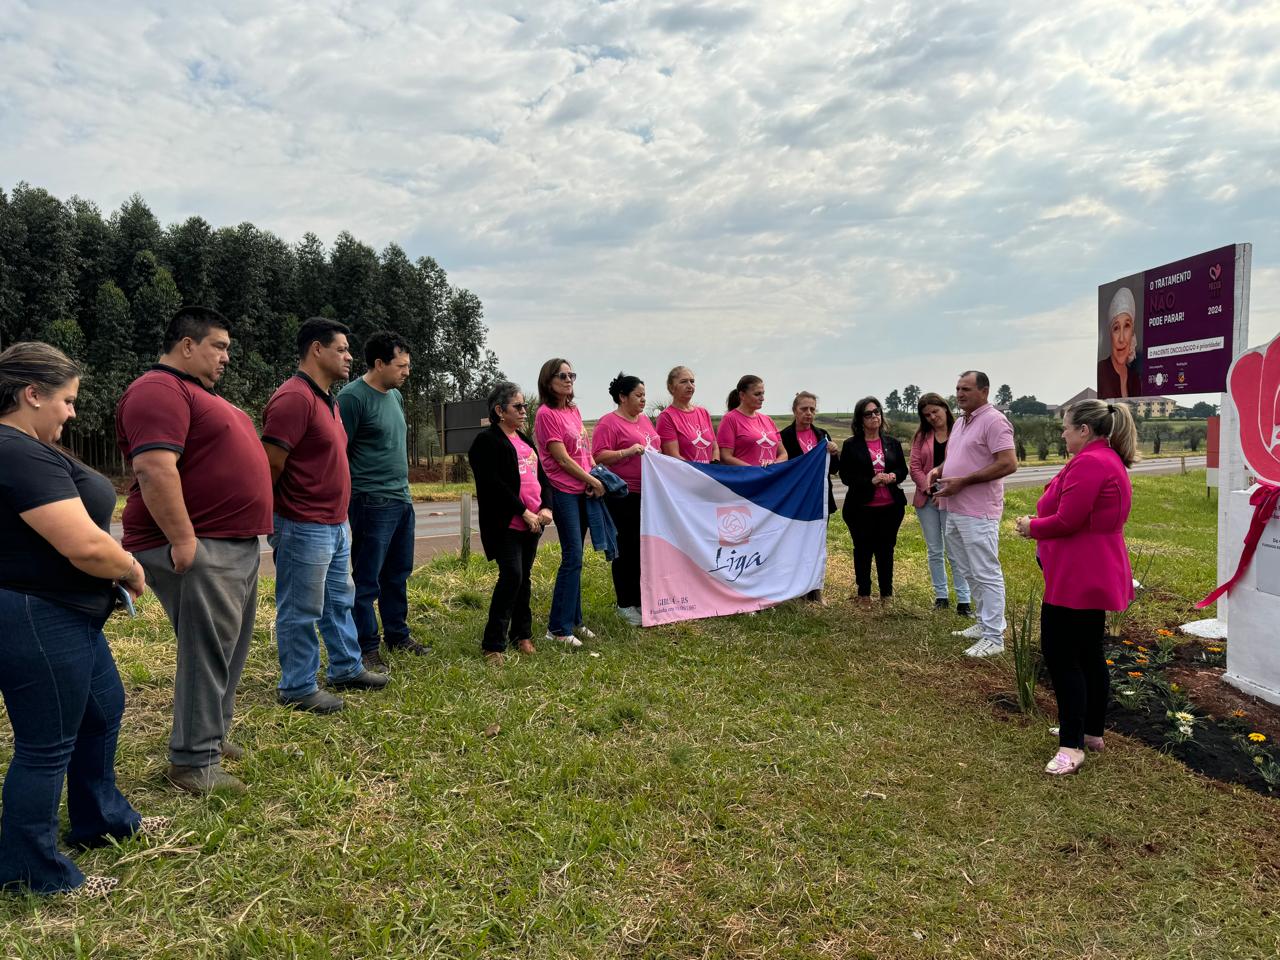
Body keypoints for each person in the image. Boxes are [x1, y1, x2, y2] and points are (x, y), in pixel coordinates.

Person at [0, 342, 161, 897]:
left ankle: (101, 820)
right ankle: (33, 873)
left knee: (101, 711)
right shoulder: (13, 451)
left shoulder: (30, 447)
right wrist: (130, 567)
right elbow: (84, 545)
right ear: (32, 394)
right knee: (46, 745)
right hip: (37, 615)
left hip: (69, 614)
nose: (72, 412)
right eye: (66, 400)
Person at [116, 306, 275, 797]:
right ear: (187, 345)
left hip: (229, 543)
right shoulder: (159, 388)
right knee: (207, 651)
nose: (226, 357)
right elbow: (154, 468)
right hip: (197, 543)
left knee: (227, 647)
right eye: (218, 346)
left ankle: (212, 735)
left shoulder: (198, 394)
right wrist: (184, 540)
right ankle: (193, 761)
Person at [262, 318, 388, 713]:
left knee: (338, 601)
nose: (350, 356)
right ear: (317, 349)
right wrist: (280, 511)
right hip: (302, 523)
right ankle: (297, 686)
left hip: (334, 522)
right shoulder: (293, 399)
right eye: (342, 349)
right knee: (300, 609)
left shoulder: (327, 399)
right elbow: (271, 463)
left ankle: (346, 667)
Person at [1015, 399, 1137, 775]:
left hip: (1078, 574)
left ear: (1084, 430)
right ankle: (1090, 732)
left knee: (1062, 656)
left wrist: (1031, 527)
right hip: (1091, 569)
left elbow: (1068, 519)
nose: (1063, 434)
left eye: (1066, 428)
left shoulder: (1090, 463)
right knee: (1088, 653)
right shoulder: (1106, 458)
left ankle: (1071, 746)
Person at [337, 330, 428, 673]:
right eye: (401, 366)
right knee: (367, 579)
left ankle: (398, 635)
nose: (407, 372)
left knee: (398, 574)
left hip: (401, 498)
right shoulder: (352, 398)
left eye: (408, 365)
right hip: (370, 500)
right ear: (379, 363)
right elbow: (339, 452)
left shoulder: (396, 397)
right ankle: (367, 647)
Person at [929, 370, 1017, 657]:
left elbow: (1008, 463)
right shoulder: (961, 422)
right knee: (967, 569)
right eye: (957, 389)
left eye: (966, 389)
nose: (959, 394)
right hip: (954, 507)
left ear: (984, 391)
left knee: (984, 571)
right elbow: (957, 458)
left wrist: (964, 481)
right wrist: (939, 470)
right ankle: (983, 622)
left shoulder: (994, 421)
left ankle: (994, 637)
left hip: (978, 511)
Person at [468, 382, 554, 664]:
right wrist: (523, 511)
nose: (524, 411)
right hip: (506, 524)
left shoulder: (525, 440)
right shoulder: (486, 442)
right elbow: (493, 485)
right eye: (517, 406)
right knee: (512, 576)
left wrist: (546, 506)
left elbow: (542, 478)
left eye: (524, 406)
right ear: (499, 411)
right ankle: (493, 643)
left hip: (533, 524)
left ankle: (522, 634)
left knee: (523, 578)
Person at [534, 358, 605, 648]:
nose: (568, 380)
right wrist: (591, 481)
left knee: (577, 557)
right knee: (572, 556)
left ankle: (575, 620)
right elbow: (562, 459)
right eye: (561, 375)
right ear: (548, 381)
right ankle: (557, 628)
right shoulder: (546, 414)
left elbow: (584, 451)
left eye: (571, 375)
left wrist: (595, 475)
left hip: (583, 490)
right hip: (563, 492)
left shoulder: (573, 410)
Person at [591, 373, 658, 626]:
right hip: (623, 494)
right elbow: (598, 456)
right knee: (626, 549)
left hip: (648, 494)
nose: (643, 400)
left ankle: (640, 599)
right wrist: (627, 452)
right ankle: (625, 604)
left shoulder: (645, 421)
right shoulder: (608, 423)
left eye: (644, 395)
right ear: (622, 397)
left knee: (643, 549)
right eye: (638, 395)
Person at [838, 396, 907, 607]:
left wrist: (893, 476)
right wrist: (871, 481)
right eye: (868, 414)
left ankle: (886, 594)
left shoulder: (892, 443)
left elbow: (902, 469)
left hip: (891, 507)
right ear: (860, 419)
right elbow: (846, 476)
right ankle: (864, 594)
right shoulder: (851, 445)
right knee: (863, 550)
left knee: (886, 550)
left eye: (877, 411)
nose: (874, 416)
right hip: (861, 508)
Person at [908, 392, 972, 615]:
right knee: (935, 550)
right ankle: (941, 596)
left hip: (952, 497)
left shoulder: (960, 431)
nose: (932, 417)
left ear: (945, 408)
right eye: (927, 415)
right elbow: (915, 467)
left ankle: (963, 600)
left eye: (935, 411)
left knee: (955, 550)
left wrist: (943, 491)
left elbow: (963, 462)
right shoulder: (921, 436)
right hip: (926, 499)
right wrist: (929, 488)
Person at [780, 391, 841, 602]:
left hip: (820, 499)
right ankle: (795, 590)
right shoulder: (784, 436)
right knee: (795, 546)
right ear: (794, 410)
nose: (808, 413)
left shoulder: (823, 435)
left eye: (812, 409)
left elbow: (834, 469)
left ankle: (815, 590)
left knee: (817, 545)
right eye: (804, 409)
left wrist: (834, 452)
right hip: (796, 501)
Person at [717, 375, 787, 467]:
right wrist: (754, 470)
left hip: (771, 474)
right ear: (742, 395)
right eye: (757, 394)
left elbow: (783, 454)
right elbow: (725, 457)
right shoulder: (729, 419)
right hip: (746, 475)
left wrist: (774, 464)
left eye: (763, 394)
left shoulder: (768, 420)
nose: (762, 398)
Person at [656, 366, 719, 463]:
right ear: (671, 387)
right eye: (684, 382)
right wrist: (698, 470)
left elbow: (715, 448)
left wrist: (714, 464)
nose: (690, 386)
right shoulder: (666, 417)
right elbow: (673, 456)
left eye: (692, 381)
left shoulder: (703, 413)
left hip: (708, 471)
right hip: (685, 472)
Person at [1098, 286, 1141, 398]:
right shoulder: (1101, 371)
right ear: (1110, 334)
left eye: (1126, 326)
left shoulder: (1135, 379)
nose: (1121, 339)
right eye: (1116, 328)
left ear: (1132, 332)